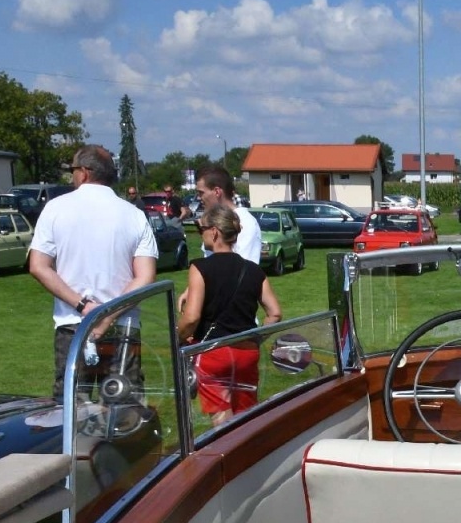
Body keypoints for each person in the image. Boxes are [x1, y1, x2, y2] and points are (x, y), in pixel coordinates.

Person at [28, 144, 158, 401]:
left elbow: (38, 266)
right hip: (122, 324)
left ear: (84, 172)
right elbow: (145, 276)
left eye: (73, 170)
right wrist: (107, 315)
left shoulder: (55, 208)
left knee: (72, 409)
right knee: (124, 409)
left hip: (72, 323)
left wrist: (83, 305)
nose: (72, 177)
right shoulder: (134, 215)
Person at [177, 205, 282, 426]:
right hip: (247, 352)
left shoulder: (200, 267)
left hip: (213, 352)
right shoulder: (253, 270)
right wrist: (256, 338)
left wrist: (177, 337)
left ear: (214, 232)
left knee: (222, 420)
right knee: (247, 416)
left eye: (201, 229)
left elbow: (192, 317)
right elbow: (274, 313)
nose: (200, 234)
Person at [195, 165, 261, 269]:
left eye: (201, 193)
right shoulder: (212, 222)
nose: (199, 198)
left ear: (217, 192)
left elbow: (246, 271)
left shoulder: (246, 222)